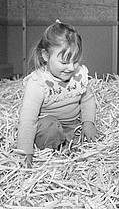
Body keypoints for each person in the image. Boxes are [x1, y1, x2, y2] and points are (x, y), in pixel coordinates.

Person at [16, 20, 98, 167]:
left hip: (73, 125)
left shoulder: (79, 75)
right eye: (65, 62)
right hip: (48, 128)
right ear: (46, 56)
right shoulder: (38, 82)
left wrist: (88, 122)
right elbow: (28, 121)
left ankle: (68, 147)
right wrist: (25, 154)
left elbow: (87, 100)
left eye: (76, 60)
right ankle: (54, 153)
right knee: (50, 128)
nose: (71, 67)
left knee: (86, 140)